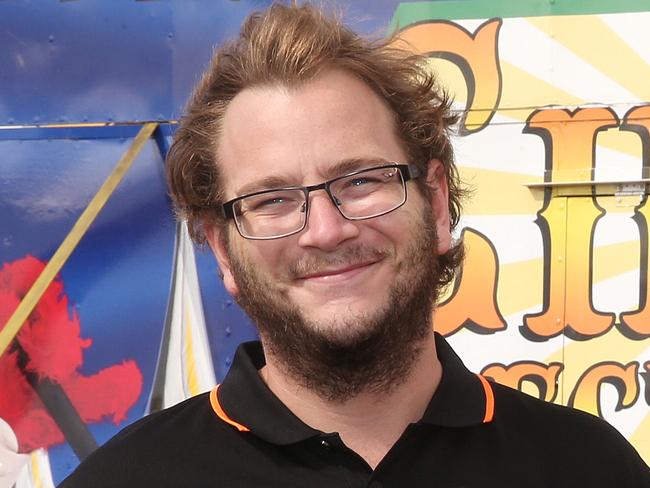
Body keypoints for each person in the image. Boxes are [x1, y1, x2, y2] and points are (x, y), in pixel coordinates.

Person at [61, 3, 650, 487]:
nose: (325, 229)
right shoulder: (123, 481)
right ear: (221, 250)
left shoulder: (590, 468)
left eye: (362, 180)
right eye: (272, 199)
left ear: (438, 201)